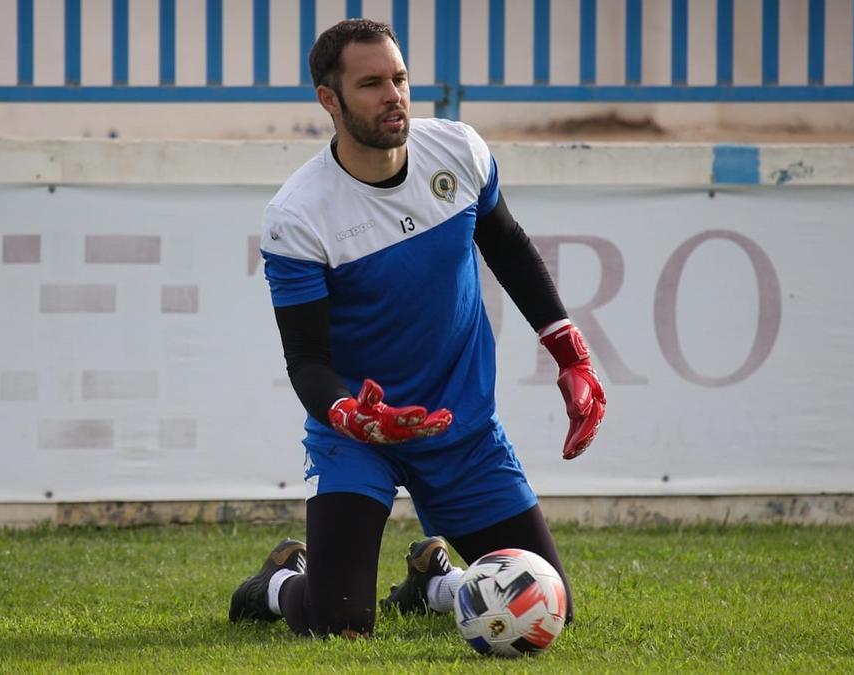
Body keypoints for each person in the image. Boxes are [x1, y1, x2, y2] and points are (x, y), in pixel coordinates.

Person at [228, 18, 606, 639]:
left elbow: (508, 249)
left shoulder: (459, 150)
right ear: (330, 99)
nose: (394, 96)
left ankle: (436, 583)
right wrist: (354, 416)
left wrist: (573, 357)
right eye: (371, 83)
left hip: (460, 428)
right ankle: (275, 584)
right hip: (356, 433)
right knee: (339, 624)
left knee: (548, 606)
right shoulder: (297, 216)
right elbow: (307, 359)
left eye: (400, 78)